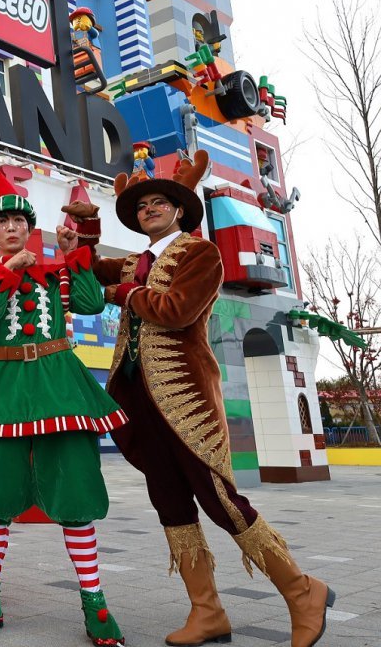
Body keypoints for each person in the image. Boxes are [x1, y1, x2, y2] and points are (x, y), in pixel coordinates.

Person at [67, 150, 335, 647]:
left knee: (220, 499)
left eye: (157, 202)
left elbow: (175, 310)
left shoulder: (199, 254)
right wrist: (83, 231)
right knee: (168, 500)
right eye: (142, 204)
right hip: (140, 401)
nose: (148, 208)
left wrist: (124, 293)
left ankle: (303, 592)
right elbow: (89, 269)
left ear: (179, 210)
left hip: (186, 398)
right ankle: (208, 611)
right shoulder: (136, 261)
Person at [0, 170, 128, 645]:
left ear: (30, 229)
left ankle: (94, 601)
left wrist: (74, 252)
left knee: (75, 491)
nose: (11, 228)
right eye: (2, 222)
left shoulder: (57, 274)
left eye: (19, 221)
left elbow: (92, 303)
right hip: (3, 390)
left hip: (59, 388)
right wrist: (8, 272)